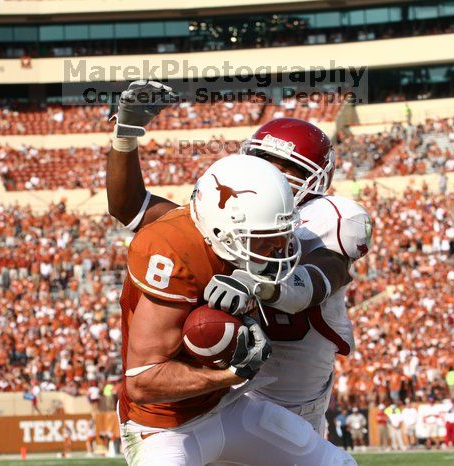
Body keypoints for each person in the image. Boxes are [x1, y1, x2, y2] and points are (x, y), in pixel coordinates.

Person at [107, 80, 372, 438]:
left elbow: (319, 280)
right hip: (223, 386)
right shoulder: (228, 215)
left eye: (287, 167)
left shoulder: (330, 217)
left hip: (291, 395)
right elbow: (131, 208)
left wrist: (258, 282)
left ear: (317, 179)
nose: (272, 173)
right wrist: (125, 135)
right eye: (263, 159)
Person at [117, 155, 356, 465]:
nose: (278, 246)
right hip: (162, 428)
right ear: (222, 230)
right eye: (263, 239)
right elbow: (143, 381)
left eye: (282, 232)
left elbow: (335, 266)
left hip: (229, 407)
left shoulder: (255, 240)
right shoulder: (173, 249)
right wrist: (231, 374)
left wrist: (257, 283)